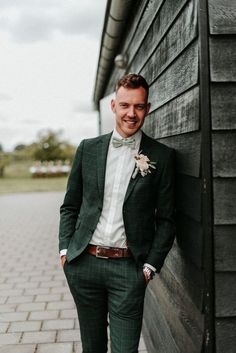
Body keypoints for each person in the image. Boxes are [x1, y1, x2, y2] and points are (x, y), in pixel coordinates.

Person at [59, 73, 175, 353]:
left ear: (147, 108)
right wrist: (65, 251)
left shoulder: (162, 156)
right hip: (83, 265)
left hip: (128, 269)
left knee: (125, 349)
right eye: (125, 105)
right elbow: (70, 205)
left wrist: (149, 268)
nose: (131, 114)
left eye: (138, 106)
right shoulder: (88, 149)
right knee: (92, 347)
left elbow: (168, 219)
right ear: (113, 106)